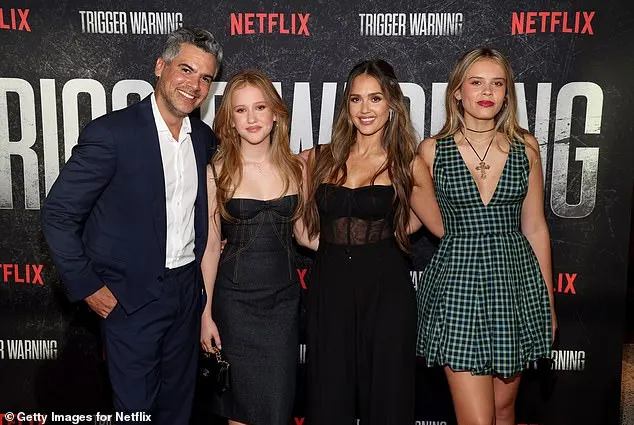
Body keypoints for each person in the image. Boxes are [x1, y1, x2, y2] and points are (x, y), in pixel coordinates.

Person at [41, 28, 222, 424]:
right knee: (135, 413)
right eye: (186, 69)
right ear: (160, 67)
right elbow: (57, 214)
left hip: (186, 297)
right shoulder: (112, 134)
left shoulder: (203, 139)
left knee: (177, 411)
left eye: (205, 77)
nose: (194, 85)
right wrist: (88, 286)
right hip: (130, 301)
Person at [416, 47, 557, 425]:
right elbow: (417, 220)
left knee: (502, 410)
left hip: (515, 286)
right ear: (458, 91)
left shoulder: (526, 147)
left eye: (497, 84)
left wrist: (547, 302)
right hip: (458, 287)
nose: (487, 92)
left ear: (507, 93)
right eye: (476, 82)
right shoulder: (432, 151)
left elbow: (535, 226)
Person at [301, 59, 442, 425]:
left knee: (388, 398)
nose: (365, 110)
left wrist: (389, 231)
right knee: (329, 397)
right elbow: (298, 223)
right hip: (329, 287)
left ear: (392, 103)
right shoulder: (319, 158)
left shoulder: (405, 164)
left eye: (375, 99)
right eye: (356, 99)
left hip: (386, 288)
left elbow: (440, 225)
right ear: (346, 106)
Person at [200, 70, 316, 425]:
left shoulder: (298, 168)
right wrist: (205, 315)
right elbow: (209, 248)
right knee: (240, 413)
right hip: (235, 306)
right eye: (240, 110)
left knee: (276, 411)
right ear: (230, 120)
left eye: (260, 107)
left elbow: (306, 236)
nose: (251, 118)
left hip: (282, 305)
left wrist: (370, 240)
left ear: (275, 113)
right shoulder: (217, 171)